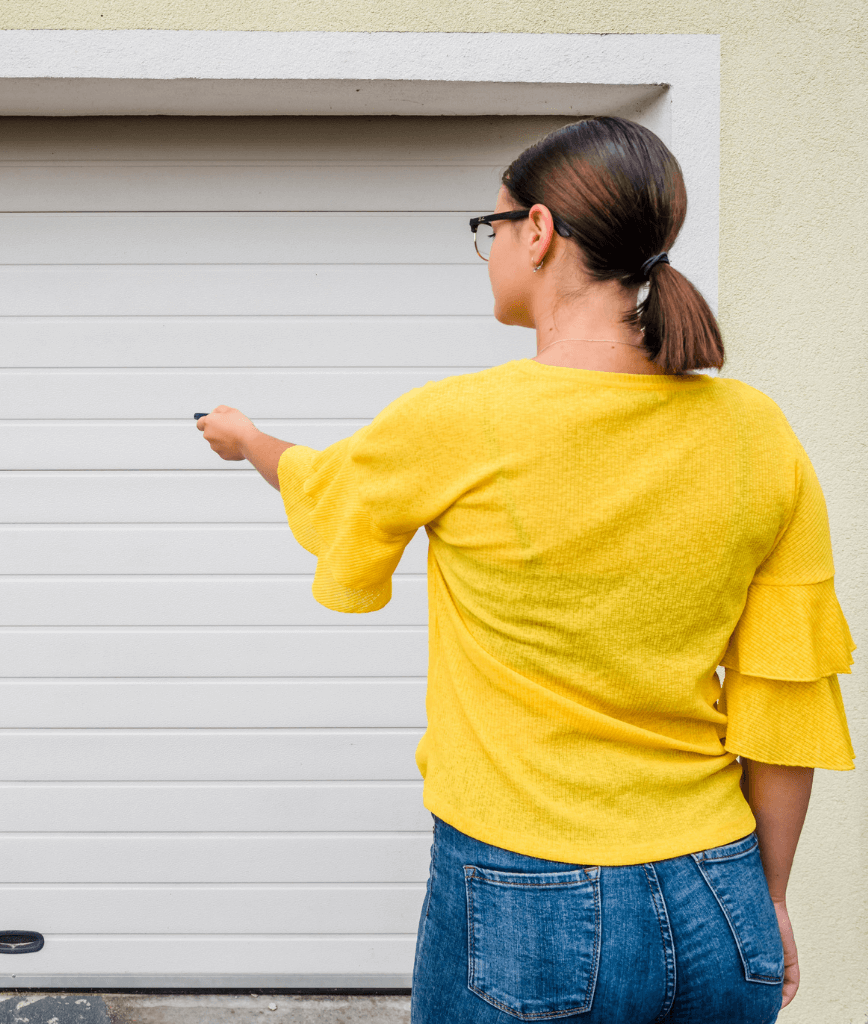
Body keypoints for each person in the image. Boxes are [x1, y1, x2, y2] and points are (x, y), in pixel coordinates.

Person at [195, 116, 855, 1024]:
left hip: (524, 896)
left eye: (493, 226)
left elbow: (326, 489)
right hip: (719, 892)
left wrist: (248, 440)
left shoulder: (459, 421)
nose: (492, 248)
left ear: (538, 231)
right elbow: (785, 693)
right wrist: (769, 901)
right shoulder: (756, 431)